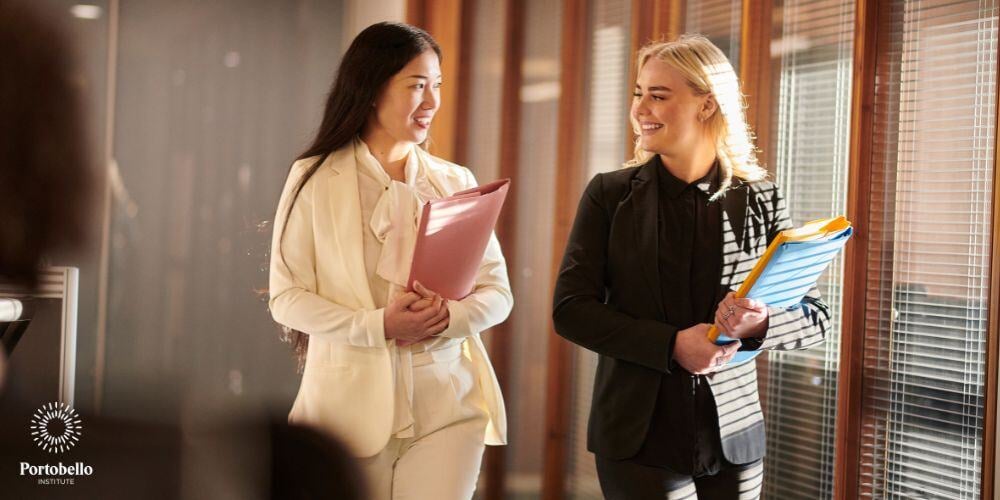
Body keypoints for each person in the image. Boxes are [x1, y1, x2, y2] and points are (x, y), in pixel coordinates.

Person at [552, 34, 830, 499]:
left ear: (706, 105)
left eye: (658, 96)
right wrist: (671, 345)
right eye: (639, 93)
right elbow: (571, 309)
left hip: (735, 438)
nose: (641, 108)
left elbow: (815, 318)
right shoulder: (609, 195)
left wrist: (758, 324)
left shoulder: (761, 198)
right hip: (638, 437)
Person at [268, 22, 513, 500]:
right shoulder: (314, 178)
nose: (432, 101)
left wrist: (450, 316)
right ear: (372, 88)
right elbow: (287, 298)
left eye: (437, 85)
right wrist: (378, 325)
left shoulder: (455, 179)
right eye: (417, 85)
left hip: (447, 410)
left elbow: (498, 293)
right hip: (344, 418)